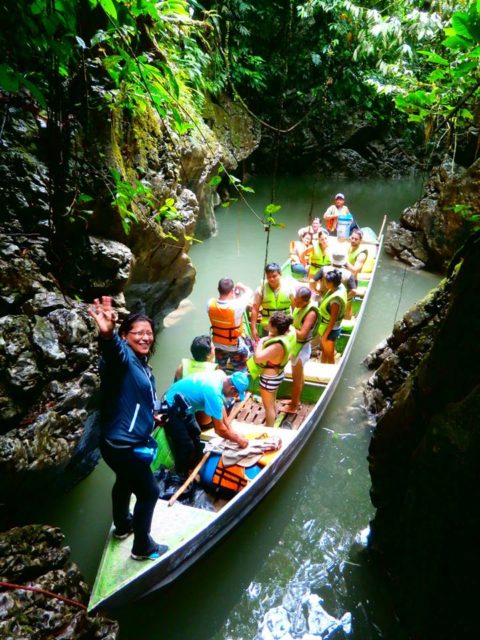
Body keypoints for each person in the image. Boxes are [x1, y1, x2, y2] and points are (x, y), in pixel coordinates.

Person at [89, 296, 168, 561]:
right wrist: (107, 334)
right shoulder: (121, 359)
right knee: (150, 492)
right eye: (139, 333)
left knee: (124, 481)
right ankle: (142, 548)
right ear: (124, 336)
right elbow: (113, 353)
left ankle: (123, 526)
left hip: (117, 441)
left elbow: (135, 398)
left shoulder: (140, 363)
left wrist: (153, 415)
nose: (146, 338)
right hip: (124, 445)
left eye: (149, 333)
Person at [163, 370, 249, 478]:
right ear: (232, 389)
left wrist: (230, 429)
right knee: (186, 446)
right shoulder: (213, 392)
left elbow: (221, 406)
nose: (235, 397)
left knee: (196, 434)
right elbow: (219, 430)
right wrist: (238, 439)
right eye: (236, 394)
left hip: (185, 406)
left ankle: (194, 468)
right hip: (171, 407)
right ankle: (180, 476)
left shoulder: (221, 375)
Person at [247, 311, 295, 427]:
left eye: (269, 322)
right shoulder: (285, 336)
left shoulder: (276, 346)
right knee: (271, 402)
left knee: (268, 408)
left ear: (274, 327)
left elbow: (258, 358)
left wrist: (260, 342)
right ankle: (271, 423)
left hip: (270, 379)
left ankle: (269, 430)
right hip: (276, 375)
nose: (267, 323)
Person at [281, 287, 320, 415]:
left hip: (302, 349)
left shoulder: (311, 313)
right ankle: (295, 401)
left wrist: (287, 329)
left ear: (306, 301)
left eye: (298, 302)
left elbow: (302, 334)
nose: (295, 304)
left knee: (296, 379)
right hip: (295, 346)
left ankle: (294, 405)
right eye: (295, 300)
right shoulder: (300, 305)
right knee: (299, 376)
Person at [207, 278, 252, 372]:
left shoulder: (210, 304)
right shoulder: (237, 305)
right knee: (240, 373)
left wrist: (233, 297)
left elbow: (221, 304)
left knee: (219, 372)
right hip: (235, 347)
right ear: (232, 291)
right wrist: (241, 286)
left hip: (218, 346)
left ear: (218, 289)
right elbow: (249, 292)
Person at [250, 263, 295, 342]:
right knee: (267, 347)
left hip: (285, 326)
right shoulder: (261, 290)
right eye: (268, 277)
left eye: (274, 276)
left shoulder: (289, 288)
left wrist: (294, 324)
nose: (271, 279)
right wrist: (253, 328)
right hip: (267, 326)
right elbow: (255, 309)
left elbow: (295, 307)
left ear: (280, 274)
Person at [317, 270, 347, 364]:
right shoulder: (339, 287)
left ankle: (330, 373)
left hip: (330, 330)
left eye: (325, 281)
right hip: (327, 328)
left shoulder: (335, 301)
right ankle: (321, 369)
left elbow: (332, 320)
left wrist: (325, 335)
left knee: (330, 355)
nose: (324, 282)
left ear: (331, 283)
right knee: (324, 352)